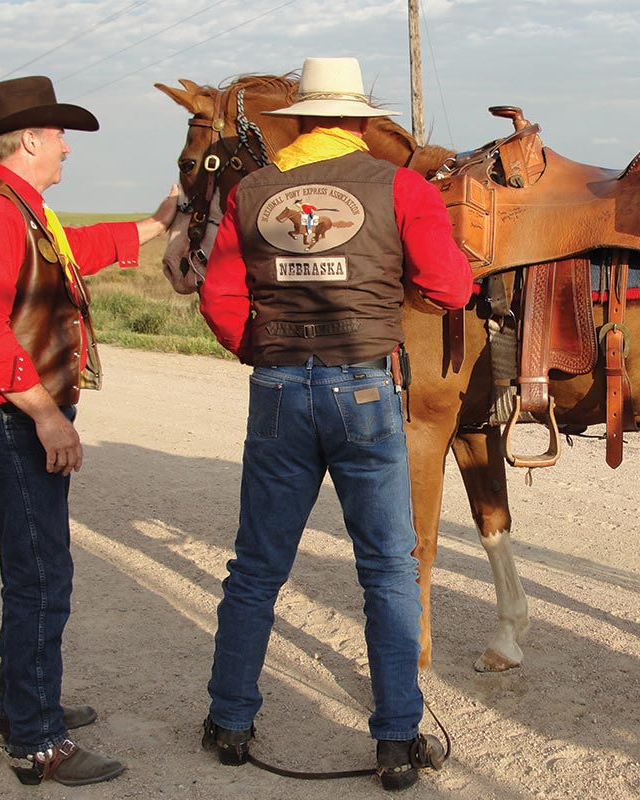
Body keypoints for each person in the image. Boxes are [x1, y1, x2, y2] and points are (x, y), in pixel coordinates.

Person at [197, 57, 472, 791]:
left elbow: (220, 300)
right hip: (366, 390)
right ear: (358, 122)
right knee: (386, 567)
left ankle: (228, 722)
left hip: (279, 389)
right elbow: (451, 287)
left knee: (255, 567)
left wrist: (268, 350)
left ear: (297, 121)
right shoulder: (402, 187)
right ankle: (394, 740)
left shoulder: (252, 191)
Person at [0, 75, 178, 786]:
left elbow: (76, 251)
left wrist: (158, 221)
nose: (68, 147)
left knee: (37, 572)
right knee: (41, 577)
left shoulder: (22, 208)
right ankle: (36, 740)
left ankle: (22, 706)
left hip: (14, 411)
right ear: (31, 139)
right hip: (9, 416)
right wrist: (44, 414)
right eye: (60, 135)